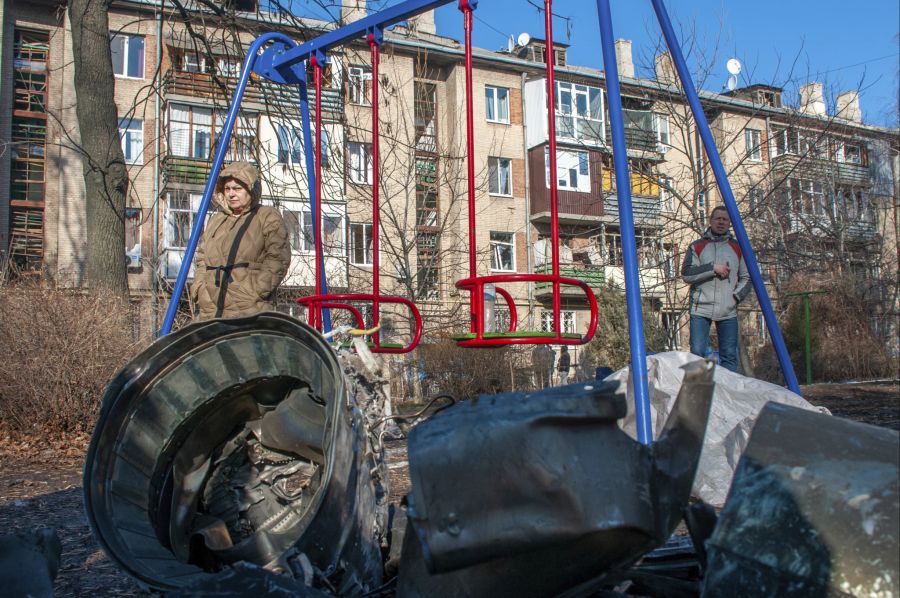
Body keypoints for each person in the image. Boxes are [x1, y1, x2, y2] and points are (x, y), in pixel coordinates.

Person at [191, 162, 291, 320]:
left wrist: (255, 292)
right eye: (227, 189)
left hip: (249, 308)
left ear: (251, 189)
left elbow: (278, 258)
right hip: (210, 307)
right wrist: (199, 289)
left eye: (237, 188)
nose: (231, 194)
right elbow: (202, 257)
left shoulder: (266, 216)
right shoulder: (217, 220)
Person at [681, 205, 751, 372]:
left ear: (729, 223)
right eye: (717, 218)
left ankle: (727, 394)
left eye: (725, 219)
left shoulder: (738, 247)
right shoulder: (697, 246)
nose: (721, 222)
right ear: (710, 221)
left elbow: (747, 278)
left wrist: (735, 297)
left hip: (728, 310)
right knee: (698, 353)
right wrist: (713, 268)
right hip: (701, 308)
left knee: (729, 355)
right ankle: (700, 393)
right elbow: (687, 274)